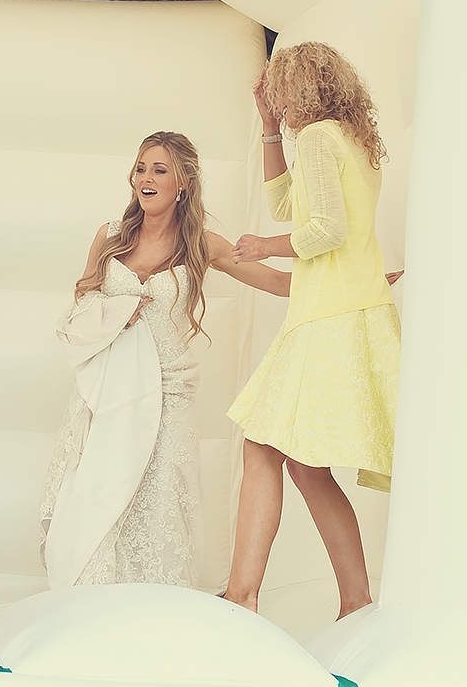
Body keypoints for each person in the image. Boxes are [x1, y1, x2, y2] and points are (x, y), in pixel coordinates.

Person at [39, 131, 296, 589]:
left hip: (166, 390)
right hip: (109, 391)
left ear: (184, 182)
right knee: (100, 488)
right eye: (141, 168)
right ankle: (94, 595)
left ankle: (154, 602)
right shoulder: (111, 236)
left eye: (159, 170)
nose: (146, 178)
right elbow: (80, 303)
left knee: (158, 495)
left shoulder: (203, 243)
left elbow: (276, 283)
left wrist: (356, 282)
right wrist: (116, 311)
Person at [223, 41, 402, 619]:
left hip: (327, 315)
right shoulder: (350, 139)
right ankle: (355, 603)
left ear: (297, 88)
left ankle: (242, 596)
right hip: (342, 309)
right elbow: (286, 206)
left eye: (277, 92)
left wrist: (262, 249)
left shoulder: (322, 137)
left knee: (262, 443)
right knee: (303, 462)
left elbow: (321, 230)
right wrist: (269, 130)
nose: (273, 100)